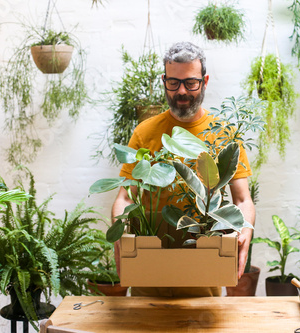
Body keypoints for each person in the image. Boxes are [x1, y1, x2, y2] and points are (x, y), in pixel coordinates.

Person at [112, 41, 255, 297]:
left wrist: (245, 233)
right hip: (149, 273)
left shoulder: (224, 134)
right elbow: (124, 197)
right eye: (173, 82)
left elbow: (243, 199)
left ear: (205, 81)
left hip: (205, 274)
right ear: (164, 80)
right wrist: (119, 236)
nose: (181, 91)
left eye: (190, 82)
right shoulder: (145, 133)